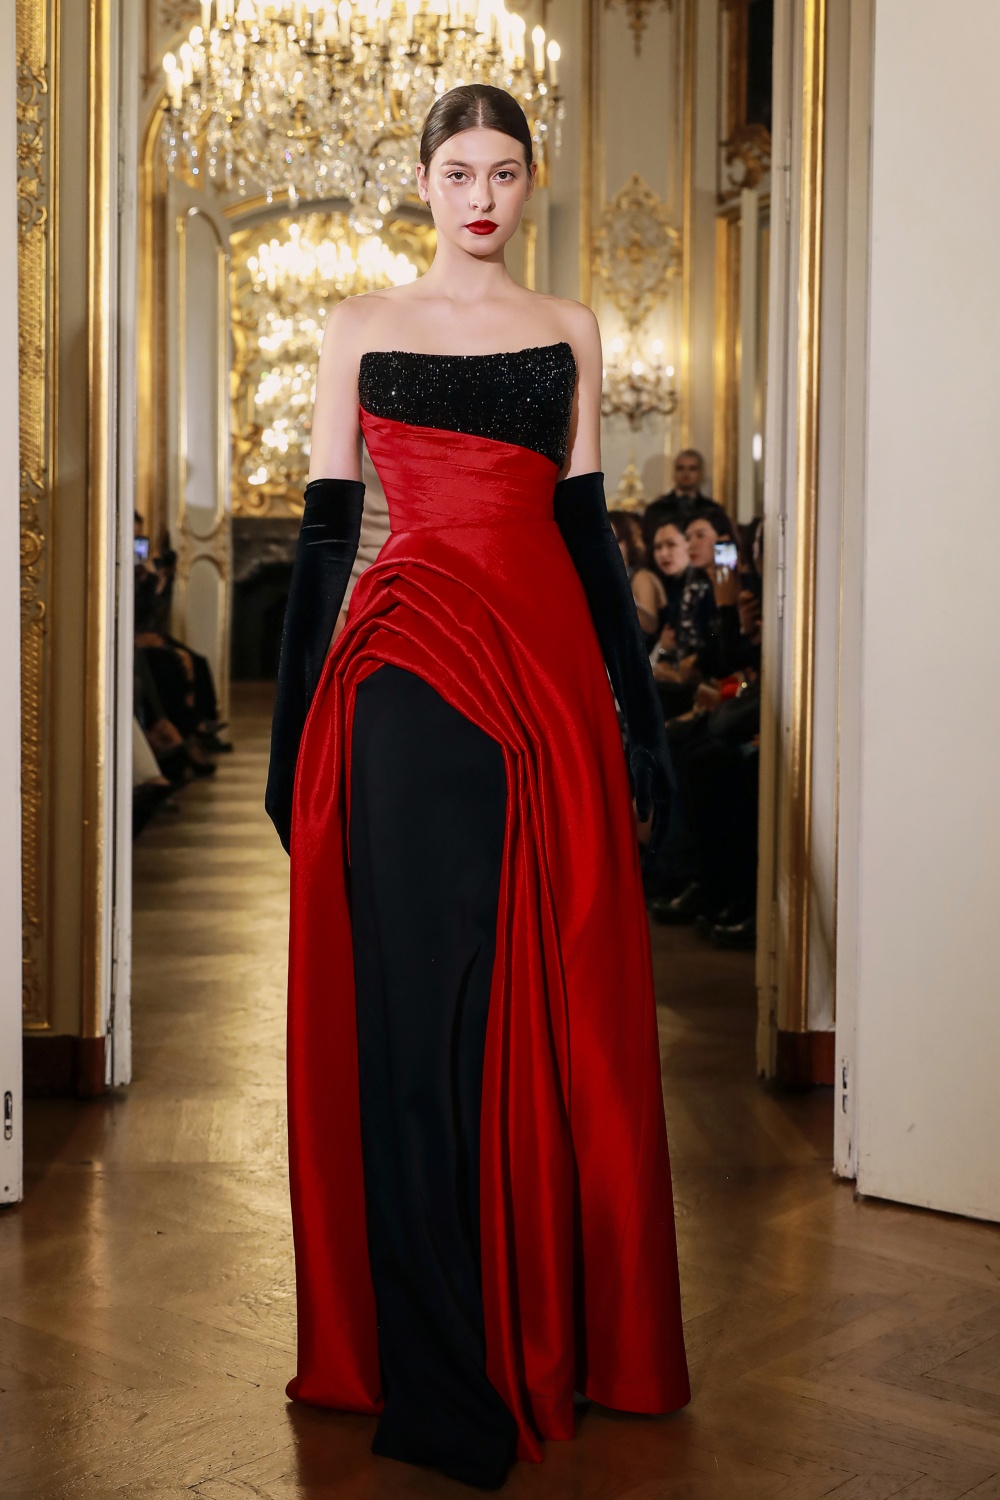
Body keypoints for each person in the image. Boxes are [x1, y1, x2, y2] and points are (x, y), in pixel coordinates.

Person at [265, 85, 689, 1490]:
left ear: (529, 180)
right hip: (401, 671)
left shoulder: (570, 327)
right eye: (459, 173)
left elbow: (587, 537)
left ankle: (544, 1325)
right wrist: (289, 739)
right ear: (424, 181)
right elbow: (326, 537)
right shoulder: (358, 325)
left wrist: (643, 721)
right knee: (412, 1014)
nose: (483, 198)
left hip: (547, 680)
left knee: (542, 1001)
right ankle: (437, 1363)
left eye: (505, 173)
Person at [609, 506, 666, 639]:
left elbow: (650, 626)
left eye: (617, 541)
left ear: (629, 543)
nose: (610, 547)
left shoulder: (641, 577)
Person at [643, 447, 708, 538]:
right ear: (674, 473)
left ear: (701, 473)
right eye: (680, 468)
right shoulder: (656, 509)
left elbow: (721, 541)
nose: (686, 473)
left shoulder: (712, 510)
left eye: (692, 469)